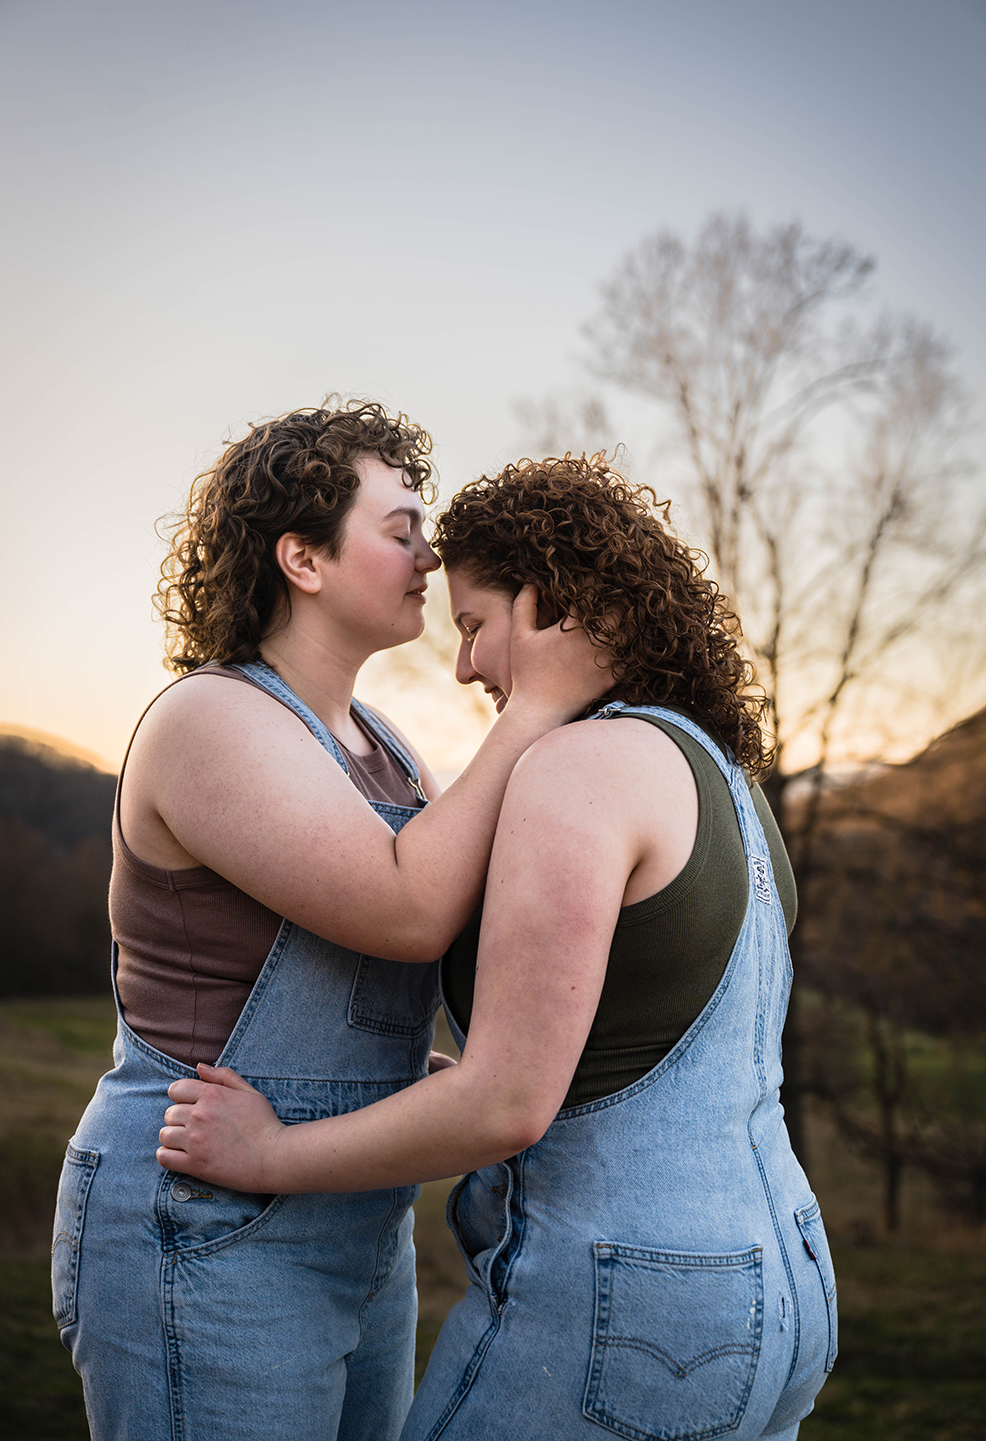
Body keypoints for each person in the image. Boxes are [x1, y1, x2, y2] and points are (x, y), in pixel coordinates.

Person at [158, 453, 838, 1441]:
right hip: (784, 1286)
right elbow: (634, 1049)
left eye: (475, 625)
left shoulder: (576, 768)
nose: (467, 663)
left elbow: (507, 1105)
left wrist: (269, 1154)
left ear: (549, 604)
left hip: (625, 1309)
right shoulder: (715, 770)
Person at [51, 406, 611, 1441]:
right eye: (399, 529)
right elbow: (405, 908)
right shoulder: (208, 720)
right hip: (205, 1217)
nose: (428, 553)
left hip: (357, 1216)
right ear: (301, 557)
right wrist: (535, 705)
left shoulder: (384, 745)